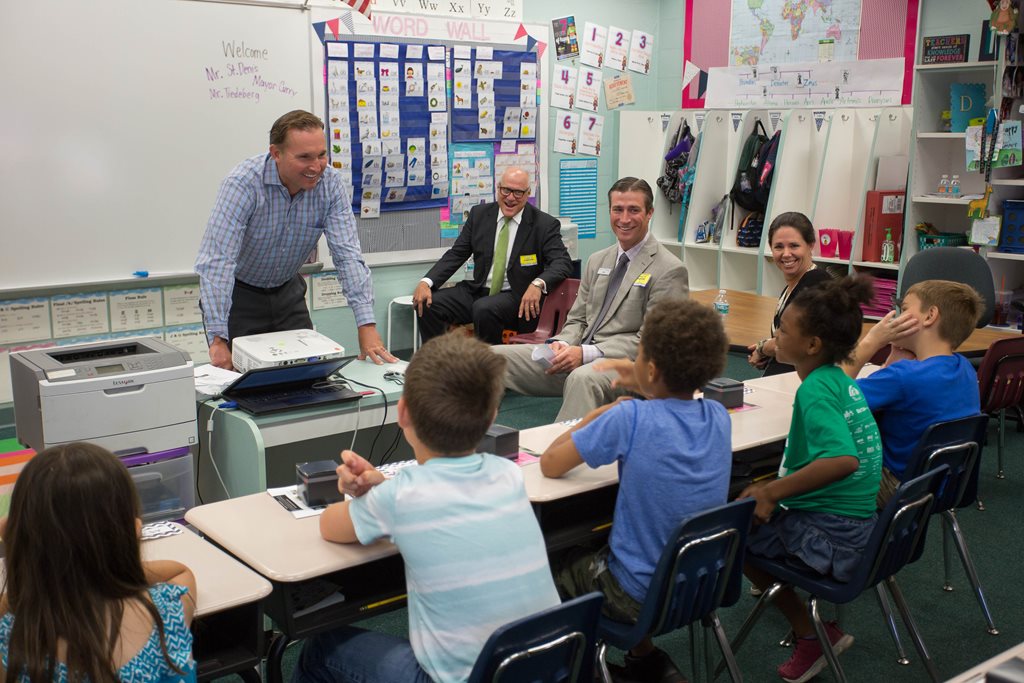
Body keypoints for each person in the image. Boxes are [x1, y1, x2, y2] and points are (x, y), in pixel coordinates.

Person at [293, 333, 560, 683]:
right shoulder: (508, 474)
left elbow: (330, 525)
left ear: (402, 412)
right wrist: (380, 490)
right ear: (493, 415)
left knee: (320, 648)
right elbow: (435, 499)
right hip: (544, 668)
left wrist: (367, 496)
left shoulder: (403, 497)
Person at [540, 299, 731, 683]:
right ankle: (645, 659)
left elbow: (550, 463)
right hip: (698, 585)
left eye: (639, 355)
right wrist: (646, 378)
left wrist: (595, 417)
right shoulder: (718, 415)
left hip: (632, 596)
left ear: (652, 369)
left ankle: (573, 670)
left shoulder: (629, 418)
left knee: (548, 561)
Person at [740, 276, 882, 683]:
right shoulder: (837, 379)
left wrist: (771, 491)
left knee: (739, 538)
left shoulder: (815, 391)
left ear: (812, 345)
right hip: (860, 526)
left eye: (783, 330)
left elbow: (842, 460)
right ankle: (815, 625)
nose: (776, 336)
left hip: (837, 534)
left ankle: (809, 635)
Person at [195, 110, 395, 370]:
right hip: (240, 297)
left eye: (321, 155)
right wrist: (218, 339)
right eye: (304, 157)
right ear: (276, 153)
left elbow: (347, 255)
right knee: (241, 383)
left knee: (307, 374)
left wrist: (366, 325)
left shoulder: (330, 184)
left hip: (287, 291)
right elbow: (218, 261)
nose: (316, 167)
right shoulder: (243, 184)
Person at [493, 177, 689, 422]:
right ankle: (467, 444)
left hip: (632, 369)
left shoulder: (669, 269)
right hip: (580, 356)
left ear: (649, 213)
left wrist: (586, 353)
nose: (624, 219)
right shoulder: (598, 260)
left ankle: (562, 456)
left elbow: (654, 345)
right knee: (491, 359)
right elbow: (577, 319)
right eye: (618, 209)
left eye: (634, 210)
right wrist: (562, 344)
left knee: (582, 377)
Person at [0, 442, 197, 681]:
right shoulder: (169, 612)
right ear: (133, 531)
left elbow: (19, 598)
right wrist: (109, 571)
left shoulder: (15, 641)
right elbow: (180, 570)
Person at [843, 280, 984, 507]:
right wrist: (889, 365)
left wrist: (871, 341)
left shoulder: (904, 376)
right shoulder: (964, 367)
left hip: (898, 487)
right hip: (945, 485)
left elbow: (831, 394)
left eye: (905, 309)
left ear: (929, 316)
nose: (897, 318)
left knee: (806, 471)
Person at [412, 167, 572, 345]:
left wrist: (538, 284)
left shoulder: (544, 224)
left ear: (528, 194)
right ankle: (438, 364)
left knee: (484, 308)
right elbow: (457, 253)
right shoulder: (479, 215)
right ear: (498, 188)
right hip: (478, 290)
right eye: (506, 190)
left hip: (516, 296)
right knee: (429, 304)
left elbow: (562, 263)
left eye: (518, 193)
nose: (510, 198)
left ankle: (488, 369)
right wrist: (426, 282)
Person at [748, 212, 832, 376]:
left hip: (803, 382)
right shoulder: (792, 286)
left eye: (794, 246)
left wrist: (763, 348)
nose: (786, 254)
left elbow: (795, 342)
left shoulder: (817, 282)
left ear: (810, 245)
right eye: (779, 246)